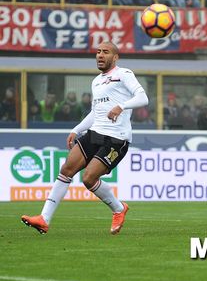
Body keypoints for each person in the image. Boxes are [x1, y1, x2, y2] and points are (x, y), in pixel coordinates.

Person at [21, 42, 149, 235]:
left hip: (116, 139)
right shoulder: (96, 81)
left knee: (89, 179)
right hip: (95, 133)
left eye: (105, 52)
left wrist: (121, 106)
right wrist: (77, 129)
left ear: (115, 57)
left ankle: (119, 209)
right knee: (66, 170)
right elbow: (95, 112)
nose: (100, 55)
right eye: (98, 52)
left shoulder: (124, 74)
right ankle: (44, 219)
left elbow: (143, 98)